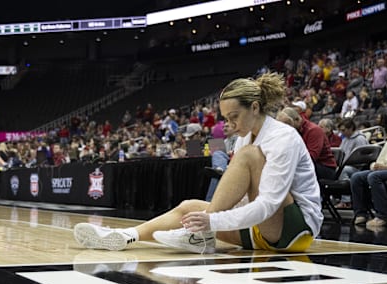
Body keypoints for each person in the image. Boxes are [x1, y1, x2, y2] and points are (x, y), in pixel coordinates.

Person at [73, 73, 323, 254]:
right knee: (189, 208)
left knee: (247, 157)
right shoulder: (244, 137)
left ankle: (200, 235)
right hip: (260, 229)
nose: (230, 124)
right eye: (226, 118)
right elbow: (240, 198)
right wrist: (206, 218)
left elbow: (269, 204)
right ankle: (124, 236)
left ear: (255, 107)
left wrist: (211, 222)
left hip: (295, 231)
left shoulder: (283, 137)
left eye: (234, 116)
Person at [276, 107, 337, 181]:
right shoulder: (291, 131)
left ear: (297, 120)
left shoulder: (313, 130)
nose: (285, 128)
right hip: (308, 165)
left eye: (287, 124)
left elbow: (311, 158)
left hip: (324, 168)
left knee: (292, 168)